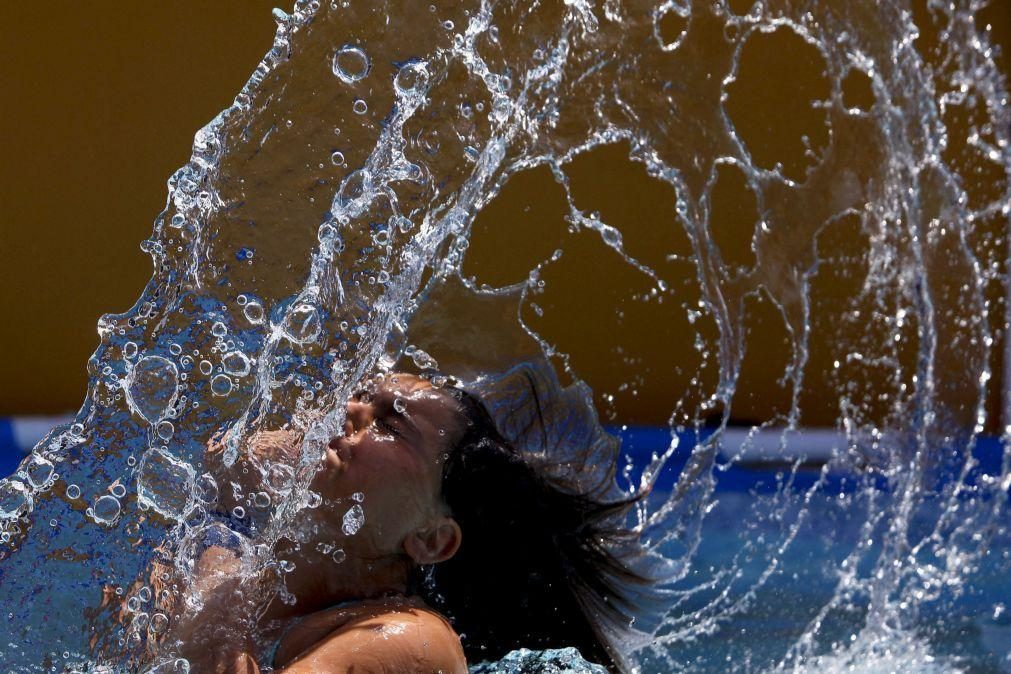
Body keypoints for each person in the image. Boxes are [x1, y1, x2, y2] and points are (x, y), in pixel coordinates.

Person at [155, 371, 650, 673]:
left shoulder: (413, 640)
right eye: (359, 397)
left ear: (432, 540)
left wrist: (217, 560)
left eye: (389, 425)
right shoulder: (232, 575)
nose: (346, 412)